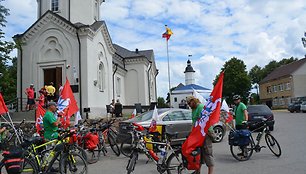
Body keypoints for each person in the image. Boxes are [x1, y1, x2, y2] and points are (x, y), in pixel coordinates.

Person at [187, 96, 214, 174]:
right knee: (198, 154)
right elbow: (194, 122)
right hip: (198, 135)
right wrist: (191, 133)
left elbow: (205, 121)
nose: (189, 105)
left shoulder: (201, 107)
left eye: (189, 103)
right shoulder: (193, 109)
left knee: (208, 154)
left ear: (193, 101)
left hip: (206, 133)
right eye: (188, 104)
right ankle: (197, 171)